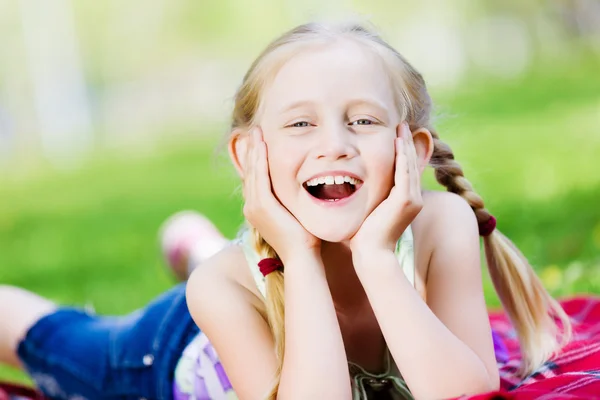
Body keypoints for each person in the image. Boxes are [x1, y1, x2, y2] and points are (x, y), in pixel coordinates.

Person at [0, 21, 572, 400]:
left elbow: (465, 394)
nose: (335, 144)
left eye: (364, 120)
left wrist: (375, 259)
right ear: (249, 155)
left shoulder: (440, 226)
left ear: (413, 150)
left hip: (256, 273)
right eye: (301, 123)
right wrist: (297, 256)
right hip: (168, 346)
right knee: (60, 343)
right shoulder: (220, 287)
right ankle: (193, 250)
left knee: (224, 263)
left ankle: (190, 238)